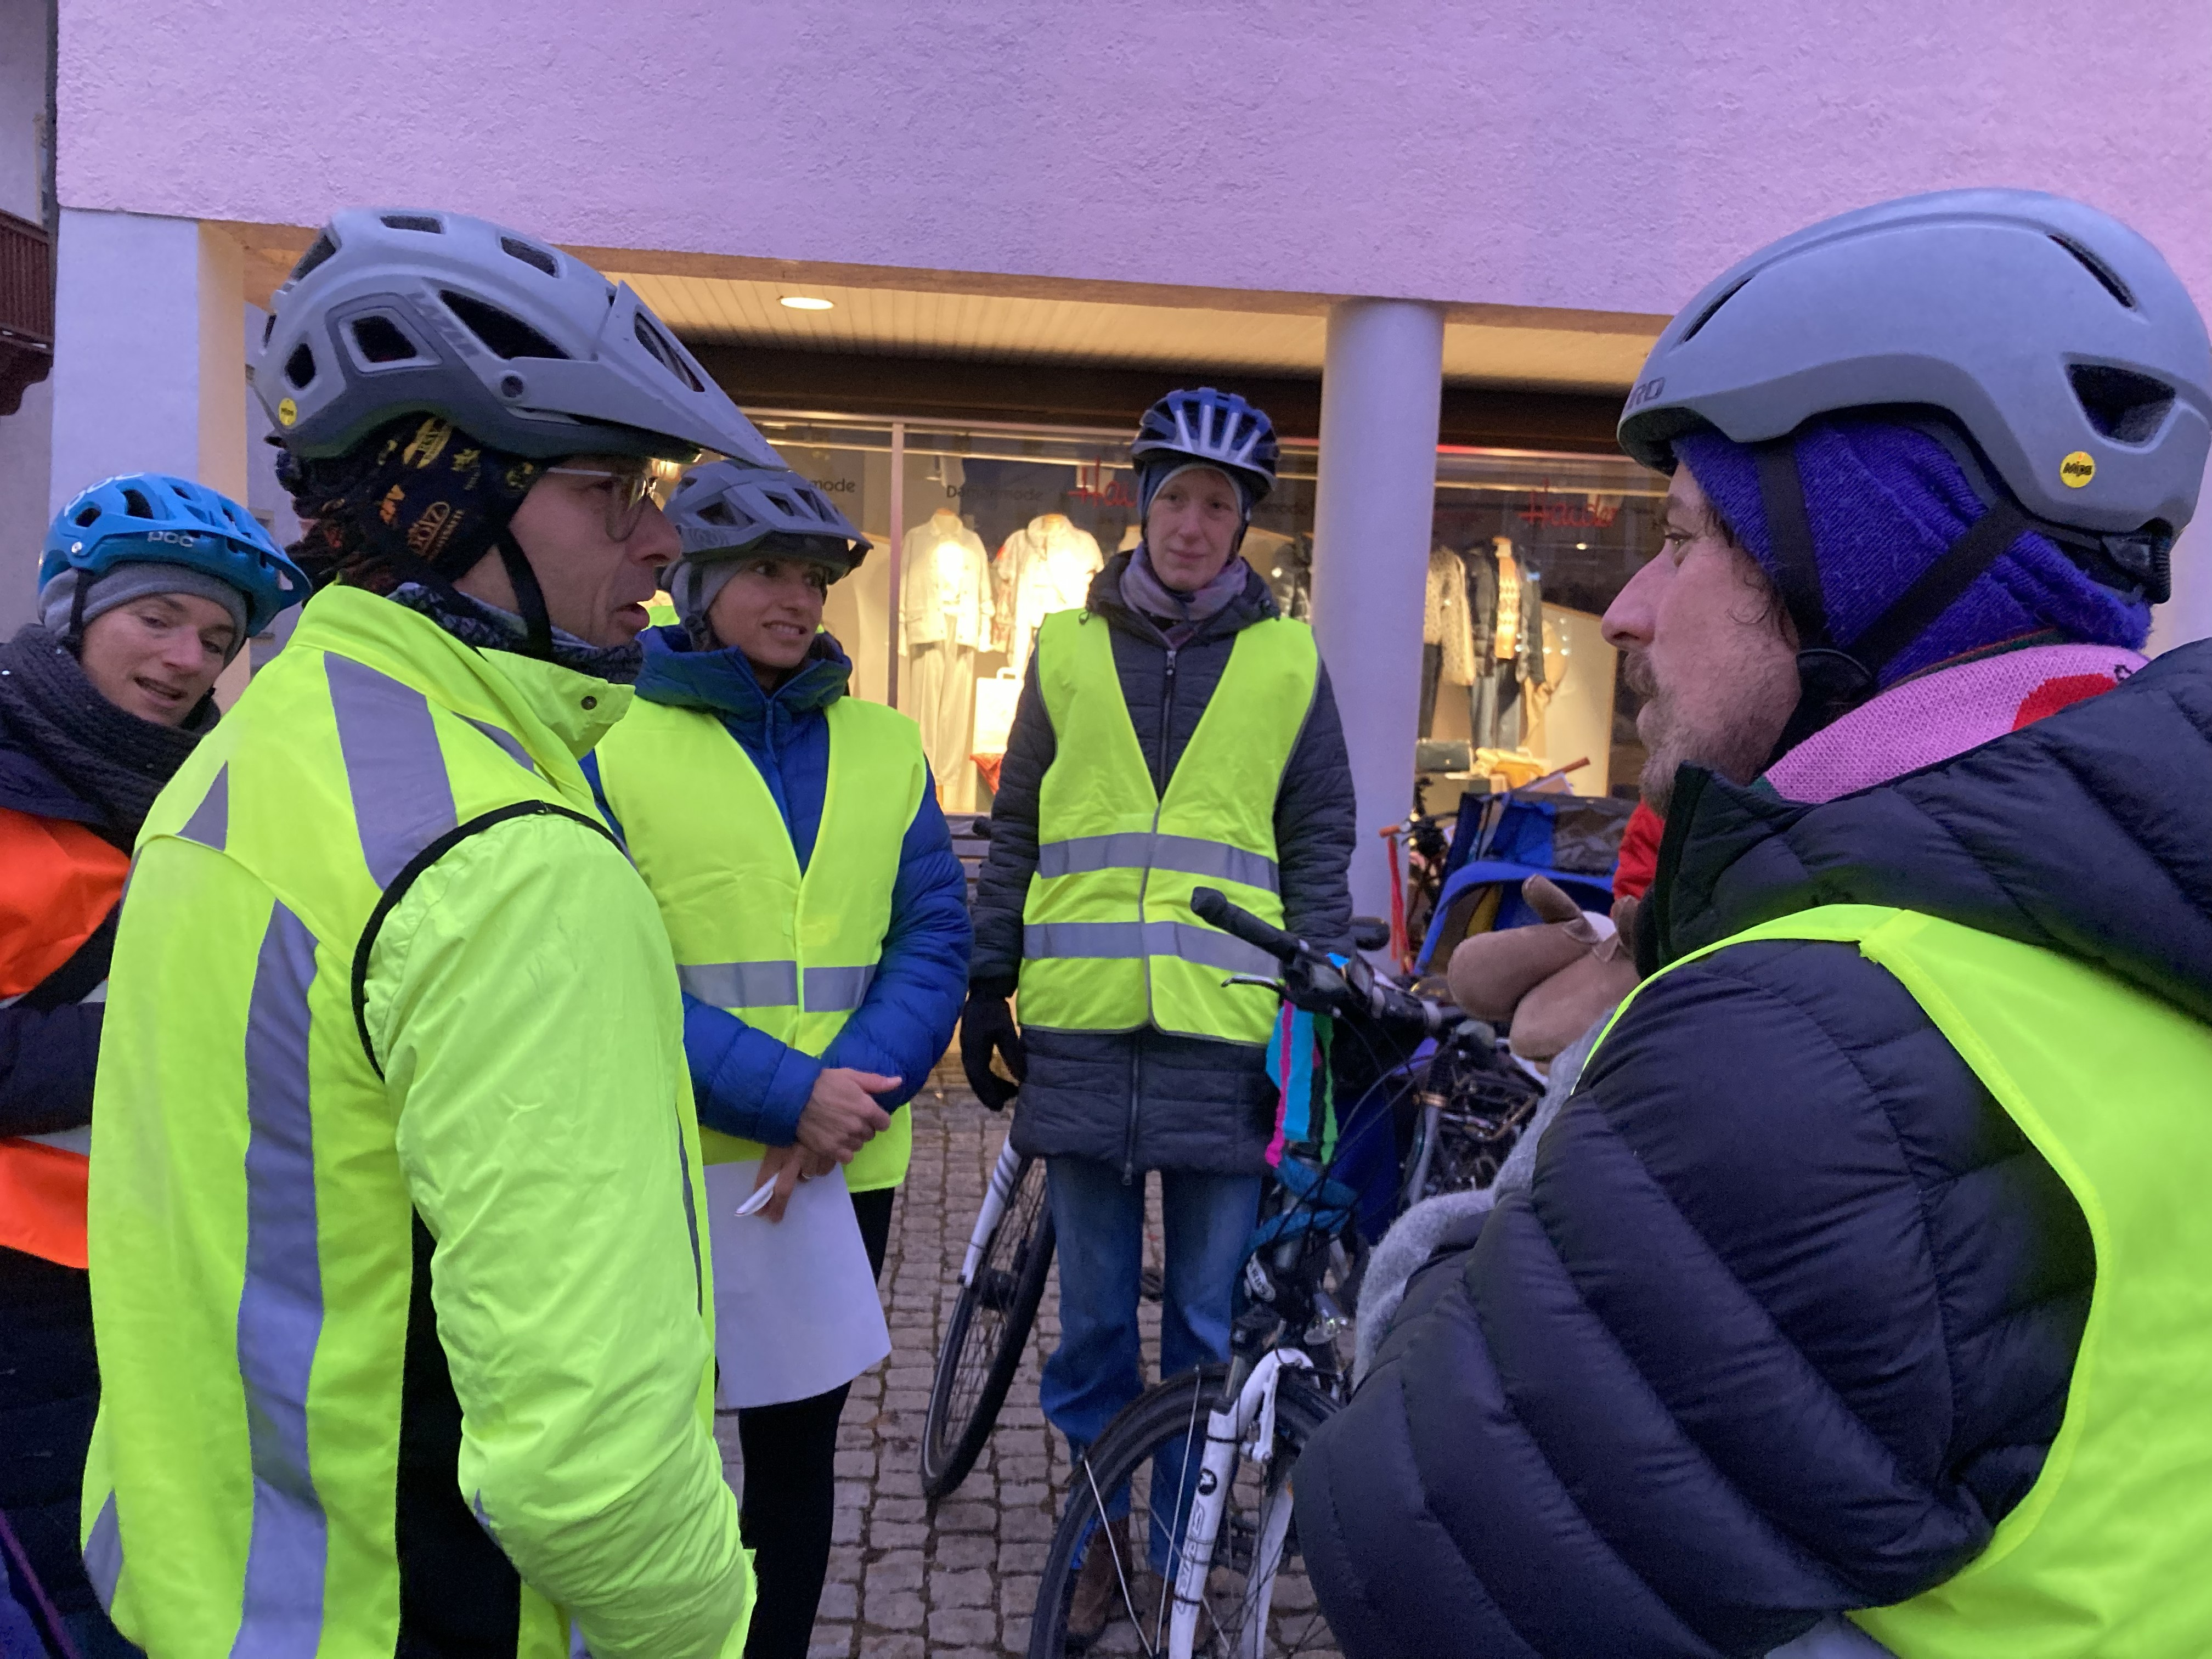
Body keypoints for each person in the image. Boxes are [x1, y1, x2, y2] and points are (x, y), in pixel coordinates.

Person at [1294, 188, 2212, 1658]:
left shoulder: (1815, 1039)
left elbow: (1417, 1556)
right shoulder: (2140, 924)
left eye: (1685, 535)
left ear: (1867, 567)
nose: (1628, 611)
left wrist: (1480, 1232)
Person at [81, 208, 791, 1657]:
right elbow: (590, 1476)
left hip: (203, 1594)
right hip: (407, 1610)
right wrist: (712, 1627)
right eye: (612, 487)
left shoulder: (255, 754)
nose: (665, 536)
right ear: (444, 502)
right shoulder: (504, 861)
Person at [964, 386, 1356, 1640]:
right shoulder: (1068, 652)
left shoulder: (1289, 658)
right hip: (1081, 1033)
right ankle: (1100, 1547)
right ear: (1139, 506)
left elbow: (1318, 840)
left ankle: (1182, 1559)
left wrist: (1319, 1010)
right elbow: (1018, 819)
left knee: (1199, 1326)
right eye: (1175, 497)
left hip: (1223, 1037)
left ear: (1246, 527)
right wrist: (986, 979)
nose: (1193, 524)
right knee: (1088, 1335)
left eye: (1219, 505)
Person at [585, 460, 969, 1659]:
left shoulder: (889, 745)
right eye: (766, 570)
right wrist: (789, 1094)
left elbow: (932, 934)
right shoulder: (611, 742)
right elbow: (605, 961)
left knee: (798, 1466)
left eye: (811, 577)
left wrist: (845, 1097)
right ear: (694, 582)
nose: (798, 598)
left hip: (839, 1168)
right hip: (670, 1160)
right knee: (641, 1452)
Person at [1, 474, 305, 1657]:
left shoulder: (215, 795)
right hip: (27, 1287)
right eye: (159, 618)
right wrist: (176, 1037)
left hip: (177, 1267)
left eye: (219, 639)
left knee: (160, 1574)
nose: (189, 658)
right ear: (77, 609)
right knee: (57, 1601)